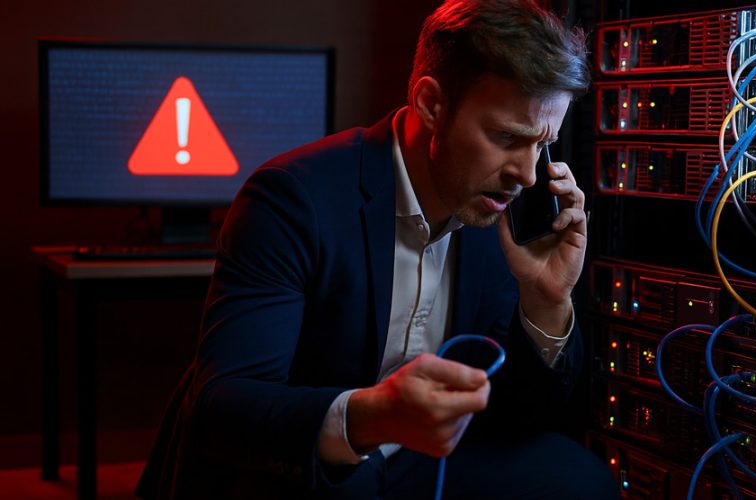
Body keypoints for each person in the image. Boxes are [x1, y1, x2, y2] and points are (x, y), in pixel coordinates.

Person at [136, 0, 618, 498]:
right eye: (505, 137)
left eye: (542, 145)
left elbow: (526, 417)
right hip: (310, 460)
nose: (527, 174)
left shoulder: (500, 207)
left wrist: (545, 302)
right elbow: (224, 404)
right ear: (431, 103)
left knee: (582, 480)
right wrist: (372, 414)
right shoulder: (293, 197)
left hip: (423, 462)